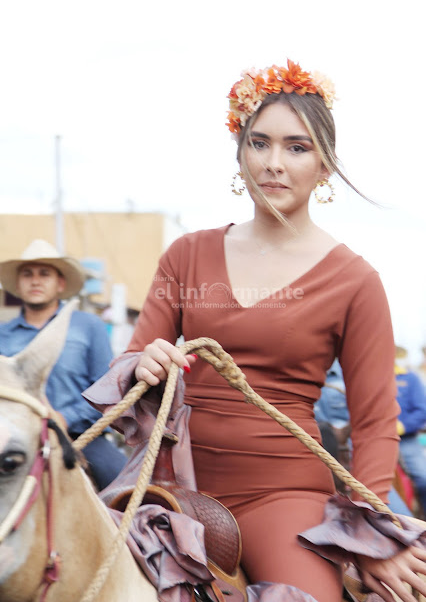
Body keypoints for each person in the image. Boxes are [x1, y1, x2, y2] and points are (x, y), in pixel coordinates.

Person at [84, 59, 426, 601]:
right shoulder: (185, 255)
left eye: (297, 147)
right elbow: (125, 372)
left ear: (325, 166)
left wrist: (370, 535)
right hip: (170, 488)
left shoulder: (356, 280)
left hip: (284, 494)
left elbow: (376, 423)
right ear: (239, 154)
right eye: (259, 143)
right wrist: (143, 363)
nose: (273, 163)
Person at [0, 239, 127, 490]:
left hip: (83, 437)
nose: (35, 281)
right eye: (28, 274)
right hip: (17, 438)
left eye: (44, 274)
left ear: (60, 283)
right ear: (18, 285)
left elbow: (107, 387)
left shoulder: (89, 326)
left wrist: (64, 418)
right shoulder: (3, 334)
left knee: (127, 489)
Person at [315, 359, 413, 517]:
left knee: (397, 515)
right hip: (313, 456)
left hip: (353, 455)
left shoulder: (352, 374)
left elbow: (374, 417)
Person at [394, 346, 426, 517]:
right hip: (378, 437)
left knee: (424, 478)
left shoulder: (411, 378)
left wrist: (403, 426)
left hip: (407, 439)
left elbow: (422, 410)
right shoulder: (372, 377)